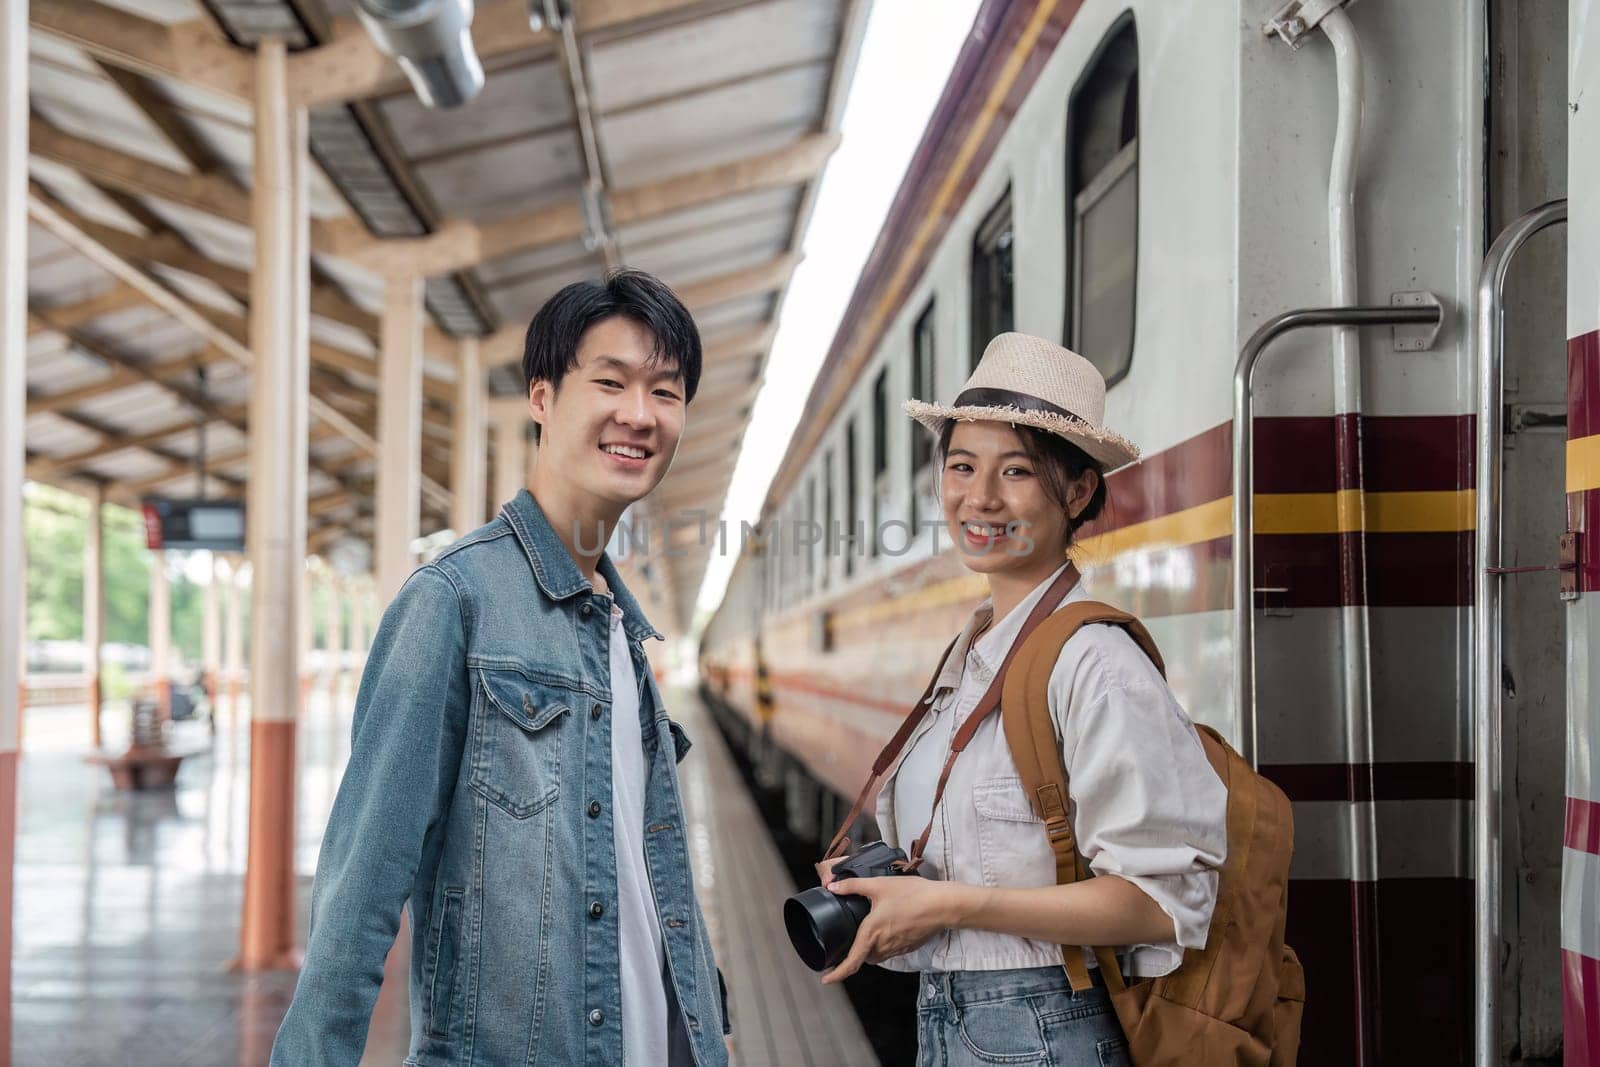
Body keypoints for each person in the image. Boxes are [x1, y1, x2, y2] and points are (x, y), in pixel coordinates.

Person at [272, 270, 729, 1066]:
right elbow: (359, 896)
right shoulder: (453, 601)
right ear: (543, 398)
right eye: (611, 381)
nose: (639, 413)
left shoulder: (624, 630)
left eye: (666, 391)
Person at [815, 333, 1227, 1066]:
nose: (981, 497)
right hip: (952, 1022)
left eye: (1016, 471)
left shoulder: (1094, 661)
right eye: (961, 465)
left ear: (1076, 491)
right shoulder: (971, 656)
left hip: (1048, 1029)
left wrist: (952, 904)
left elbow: (1161, 901)